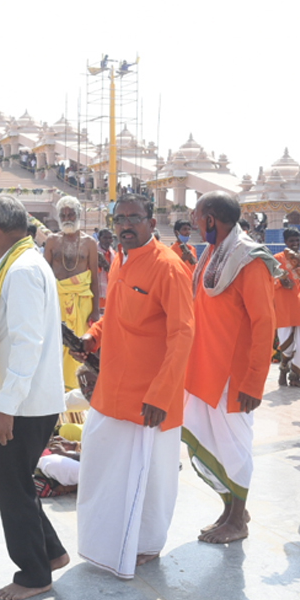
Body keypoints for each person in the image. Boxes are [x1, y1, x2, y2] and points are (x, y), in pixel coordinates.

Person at [73, 193, 195, 578]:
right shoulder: (121, 260)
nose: (125, 225)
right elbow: (117, 316)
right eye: (119, 219)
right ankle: (106, 545)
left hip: (149, 400)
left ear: (150, 220)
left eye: (133, 218)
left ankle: (144, 545)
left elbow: (182, 336)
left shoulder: (170, 268)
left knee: (151, 478)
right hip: (112, 389)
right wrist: (92, 336)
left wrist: (161, 394)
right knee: (100, 469)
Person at [0, 195, 68, 600]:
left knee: (7, 478)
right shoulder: (22, 264)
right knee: (14, 478)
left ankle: (33, 574)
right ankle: (50, 553)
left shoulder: (20, 271)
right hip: (28, 399)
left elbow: (26, 344)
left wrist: (5, 409)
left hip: (25, 403)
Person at [183, 192, 279, 544]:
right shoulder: (210, 253)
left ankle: (238, 521)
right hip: (205, 368)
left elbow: (264, 324)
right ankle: (231, 510)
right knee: (215, 443)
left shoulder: (249, 259)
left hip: (234, 375)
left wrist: (255, 382)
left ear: (211, 219)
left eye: (197, 216)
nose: (193, 221)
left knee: (235, 447)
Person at [43, 195, 102, 391]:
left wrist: (95, 311)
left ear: (78, 215)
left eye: (71, 213)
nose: (67, 217)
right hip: (57, 300)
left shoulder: (89, 243)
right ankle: (54, 388)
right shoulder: (52, 241)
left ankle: (77, 389)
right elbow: (45, 275)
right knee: (55, 346)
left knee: (79, 346)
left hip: (82, 304)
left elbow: (94, 278)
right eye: (63, 214)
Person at [275, 228, 300, 387]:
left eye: (297, 241)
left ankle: (295, 377)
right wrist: (280, 282)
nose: (295, 244)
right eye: (292, 241)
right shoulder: (277, 260)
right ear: (285, 242)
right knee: (286, 344)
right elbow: (268, 281)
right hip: (284, 307)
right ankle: (283, 370)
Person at [94, 228, 113, 314]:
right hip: (95, 296)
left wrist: (106, 265)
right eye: (105, 238)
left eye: (110, 238)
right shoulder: (93, 253)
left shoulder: (114, 254)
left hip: (110, 295)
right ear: (99, 238)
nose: (108, 241)